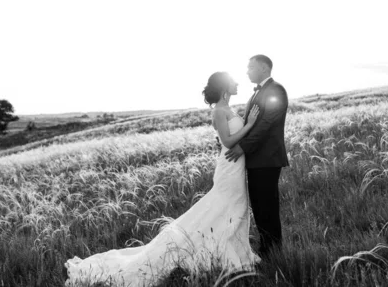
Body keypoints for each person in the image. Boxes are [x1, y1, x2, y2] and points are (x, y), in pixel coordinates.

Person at [65, 72, 261, 286]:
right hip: (229, 168)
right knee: (224, 208)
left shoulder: (228, 109)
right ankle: (222, 254)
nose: (237, 83)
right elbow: (228, 141)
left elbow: (223, 141)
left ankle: (233, 250)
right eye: (233, 81)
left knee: (234, 208)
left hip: (235, 167)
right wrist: (250, 125)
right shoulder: (219, 111)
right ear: (224, 87)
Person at [225, 54, 289, 258]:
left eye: (250, 67)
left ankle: (273, 251)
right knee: (260, 207)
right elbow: (251, 125)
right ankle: (266, 248)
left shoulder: (276, 90)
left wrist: (242, 147)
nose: (247, 71)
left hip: (267, 159)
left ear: (263, 68)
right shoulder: (257, 93)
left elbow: (266, 124)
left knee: (267, 206)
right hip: (256, 160)